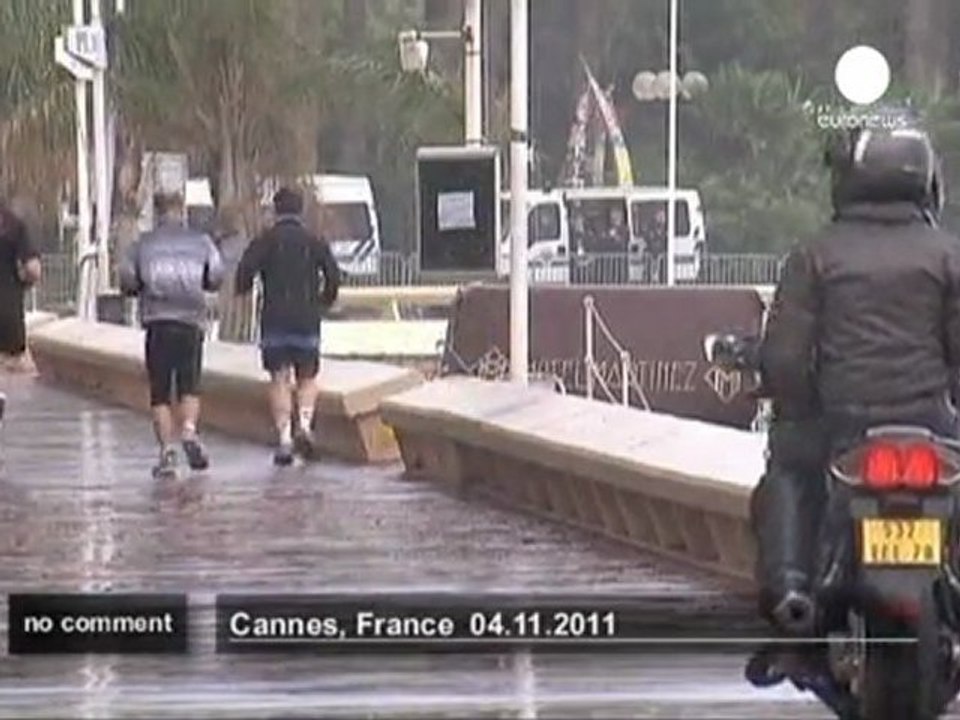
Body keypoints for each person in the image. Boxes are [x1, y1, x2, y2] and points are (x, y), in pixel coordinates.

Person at [753, 107, 960, 635]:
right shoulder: (948, 256)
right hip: (933, 422)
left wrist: (796, 408)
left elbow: (785, 359)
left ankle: (793, 587)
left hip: (841, 425)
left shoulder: (815, 255)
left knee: (789, 468)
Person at [119, 191, 224, 478]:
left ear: (157, 212)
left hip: (158, 322)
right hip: (191, 322)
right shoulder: (201, 242)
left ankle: (167, 451)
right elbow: (215, 276)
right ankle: (189, 431)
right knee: (190, 383)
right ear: (182, 211)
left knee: (161, 391)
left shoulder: (143, 244)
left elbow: (127, 280)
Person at [235, 186, 341, 466]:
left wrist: (244, 288)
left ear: (276, 210)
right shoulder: (314, 240)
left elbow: (244, 275)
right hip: (307, 317)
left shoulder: (266, 240)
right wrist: (323, 302)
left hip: (275, 318)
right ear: (301, 210)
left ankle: (284, 438)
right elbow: (333, 276)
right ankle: (304, 425)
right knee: (307, 376)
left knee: (279, 378)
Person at [0, 200, 42, 420]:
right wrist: (21, 284)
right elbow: (34, 270)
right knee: (18, 367)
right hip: (8, 314)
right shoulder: (11, 223)